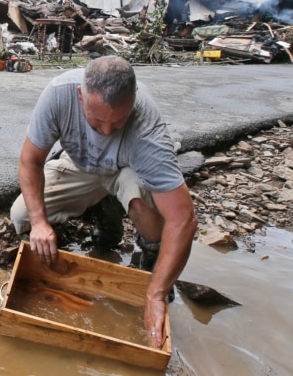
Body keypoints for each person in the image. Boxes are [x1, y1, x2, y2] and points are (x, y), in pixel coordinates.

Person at [10, 56, 197, 349]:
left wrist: (155, 293)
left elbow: (183, 219)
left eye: (119, 121)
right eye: (96, 120)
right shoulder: (59, 94)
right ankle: (100, 207)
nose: (108, 131)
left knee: (151, 221)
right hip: (80, 164)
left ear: (133, 102)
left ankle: (147, 258)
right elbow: (30, 160)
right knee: (21, 216)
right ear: (81, 96)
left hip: (126, 171)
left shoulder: (147, 129)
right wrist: (39, 223)